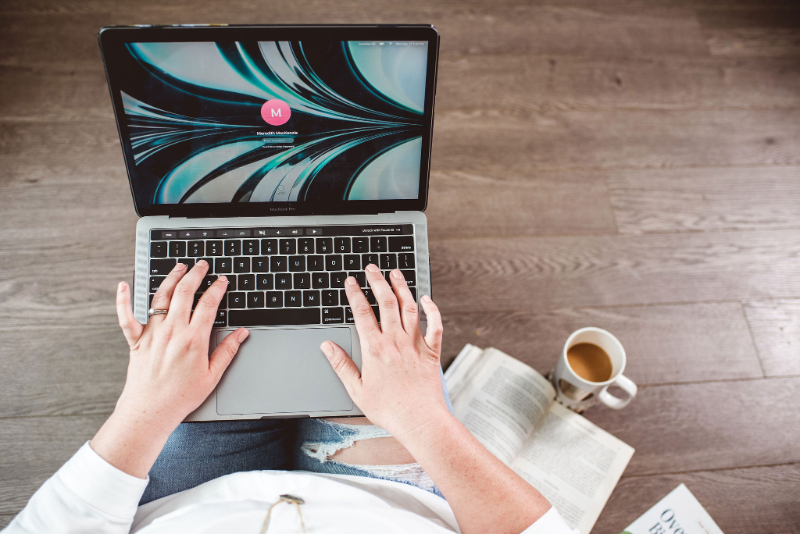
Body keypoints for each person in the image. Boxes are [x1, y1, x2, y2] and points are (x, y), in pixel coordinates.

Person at [3, 261, 577, 534]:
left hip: (187, 496)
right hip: (381, 493)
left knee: (218, 330)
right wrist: (422, 417)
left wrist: (146, 404)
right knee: (370, 323)